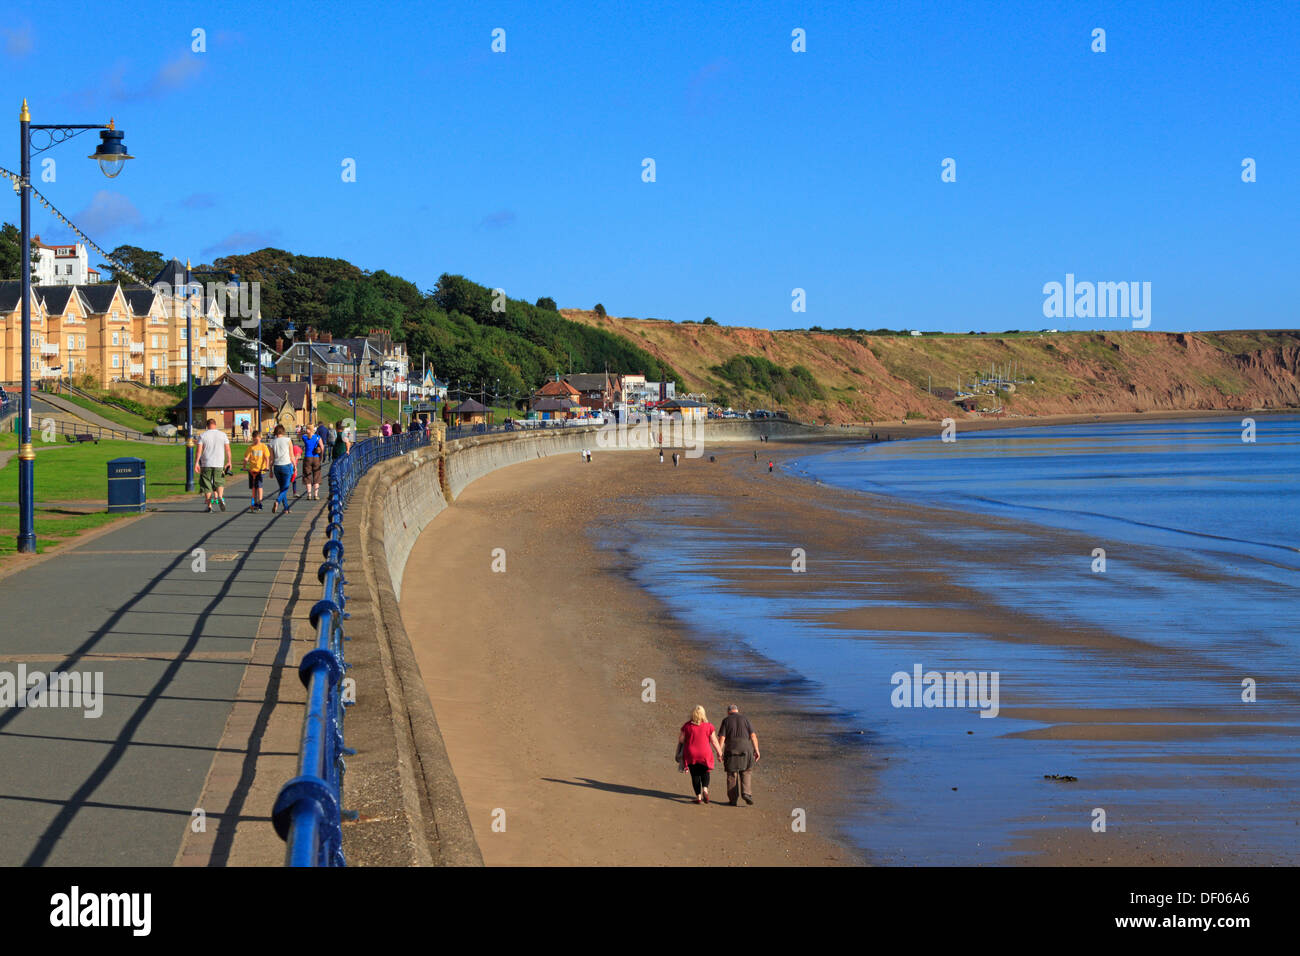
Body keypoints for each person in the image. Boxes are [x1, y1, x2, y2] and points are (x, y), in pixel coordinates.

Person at [676, 705, 722, 805]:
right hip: (705, 753)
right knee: (706, 771)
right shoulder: (709, 726)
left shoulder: (687, 726)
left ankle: (699, 797)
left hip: (691, 753)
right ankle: (705, 789)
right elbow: (714, 741)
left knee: (695, 775)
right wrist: (720, 753)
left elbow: (681, 740)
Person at [716, 703, 761, 806]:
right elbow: (753, 736)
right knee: (746, 771)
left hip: (731, 750)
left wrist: (719, 752)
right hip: (746, 749)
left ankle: (733, 799)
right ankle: (746, 794)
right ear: (737, 710)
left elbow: (722, 738)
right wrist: (756, 750)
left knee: (732, 774)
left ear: (728, 712)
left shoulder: (726, 720)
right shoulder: (745, 719)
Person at [194, 418, 231, 513]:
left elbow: (199, 451)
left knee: (206, 484)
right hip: (219, 462)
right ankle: (220, 497)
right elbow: (227, 449)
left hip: (206, 463)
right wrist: (229, 461)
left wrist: (196, 463)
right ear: (215, 424)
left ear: (207, 426)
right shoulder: (222, 435)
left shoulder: (203, 435)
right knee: (219, 481)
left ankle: (209, 506)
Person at [269, 425, 295, 514]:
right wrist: (295, 466)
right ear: (283, 432)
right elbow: (292, 455)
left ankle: (286, 508)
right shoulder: (288, 440)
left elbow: (271, 458)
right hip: (286, 465)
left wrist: (270, 470)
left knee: (282, 488)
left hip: (277, 467)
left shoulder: (272, 442)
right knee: (286, 487)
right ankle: (277, 501)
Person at [242, 429, 270, 511]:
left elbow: (266, 458)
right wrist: (244, 466)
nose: (255, 441)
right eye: (254, 439)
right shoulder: (250, 447)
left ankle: (260, 501)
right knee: (254, 487)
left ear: (260, 438)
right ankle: (254, 502)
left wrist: (267, 467)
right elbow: (246, 458)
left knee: (259, 486)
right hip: (252, 470)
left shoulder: (263, 446)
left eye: (257, 439)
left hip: (261, 470)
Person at [301, 423, 325, 500]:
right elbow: (322, 447)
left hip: (307, 457)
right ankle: (316, 494)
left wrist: (305, 431)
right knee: (316, 475)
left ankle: (309, 494)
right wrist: (321, 456)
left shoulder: (304, 437)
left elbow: (300, 434)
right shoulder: (318, 437)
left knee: (307, 475)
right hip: (316, 457)